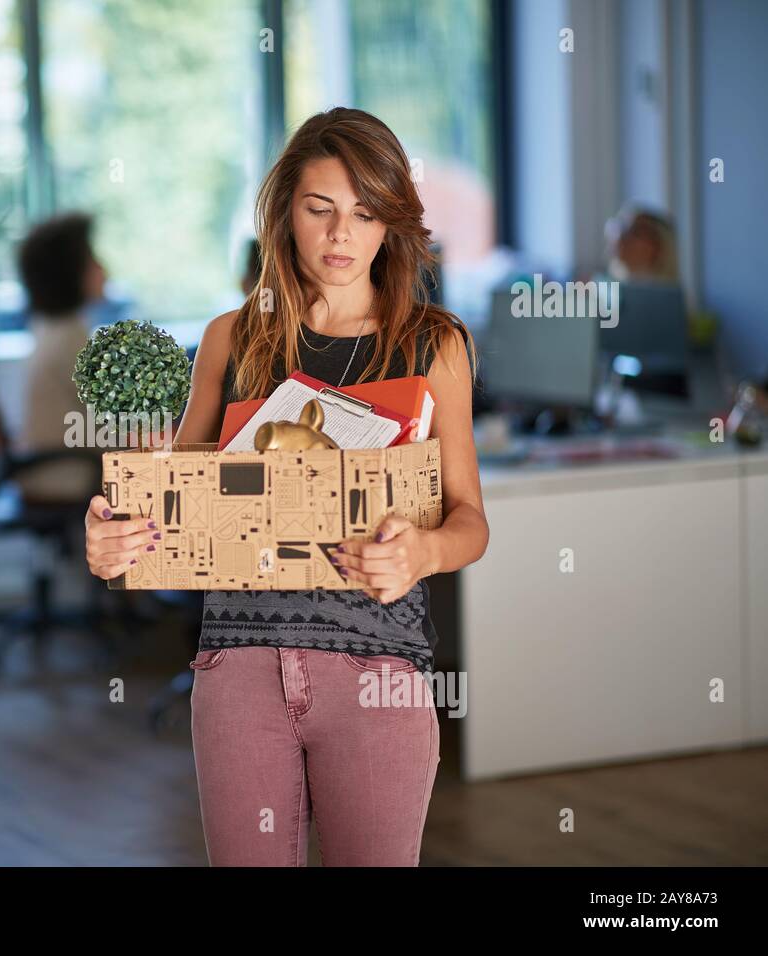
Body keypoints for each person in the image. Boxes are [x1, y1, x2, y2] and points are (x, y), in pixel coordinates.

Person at [83, 107, 488, 866]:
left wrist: (423, 552)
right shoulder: (230, 339)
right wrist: (117, 539)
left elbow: (471, 521)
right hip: (239, 669)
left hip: (377, 673)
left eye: (365, 213)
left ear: (391, 223)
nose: (341, 236)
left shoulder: (434, 345)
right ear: (284, 214)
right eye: (320, 209)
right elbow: (175, 514)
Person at [16, 211, 108, 503]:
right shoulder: (70, 339)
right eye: (92, 259)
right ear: (70, 272)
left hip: (54, 465)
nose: (104, 269)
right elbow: (111, 421)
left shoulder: (51, 329)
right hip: (66, 471)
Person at [604, 203, 679, 283]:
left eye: (635, 232)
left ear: (656, 246)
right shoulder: (609, 287)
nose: (622, 237)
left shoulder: (671, 291)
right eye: (623, 228)